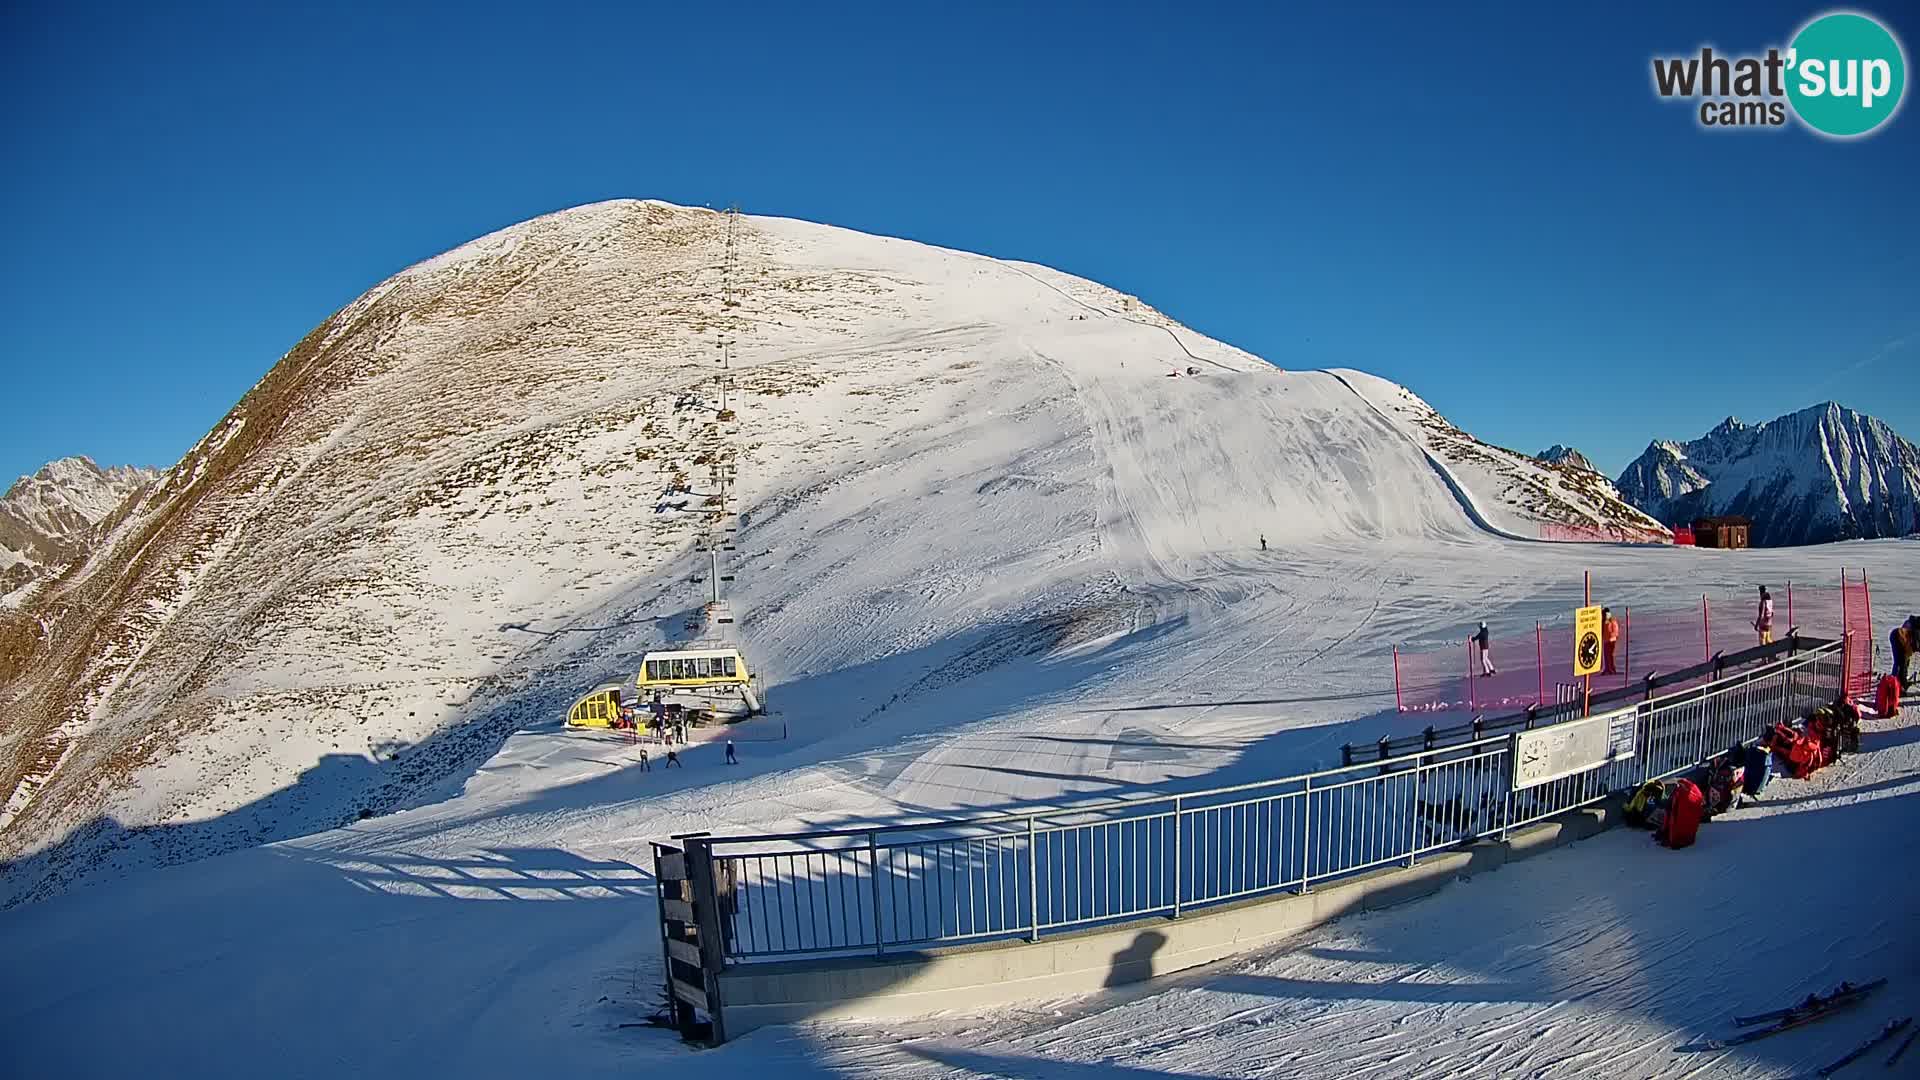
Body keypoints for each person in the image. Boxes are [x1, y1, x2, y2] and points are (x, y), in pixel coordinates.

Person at [1894, 617, 1917, 692]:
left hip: (1903, 637)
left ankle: (1901, 683)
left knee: (1904, 663)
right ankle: (1897, 685)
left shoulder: (1913, 624)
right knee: (1901, 663)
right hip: (1899, 638)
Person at [1602, 608, 1620, 675]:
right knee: (1606, 656)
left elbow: (1616, 631)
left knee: (1610, 655)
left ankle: (1612, 669)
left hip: (1611, 640)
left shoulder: (1612, 621)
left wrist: (1611, 636)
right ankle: (1607, 669)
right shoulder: (1603, 621)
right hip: (1605, 640)